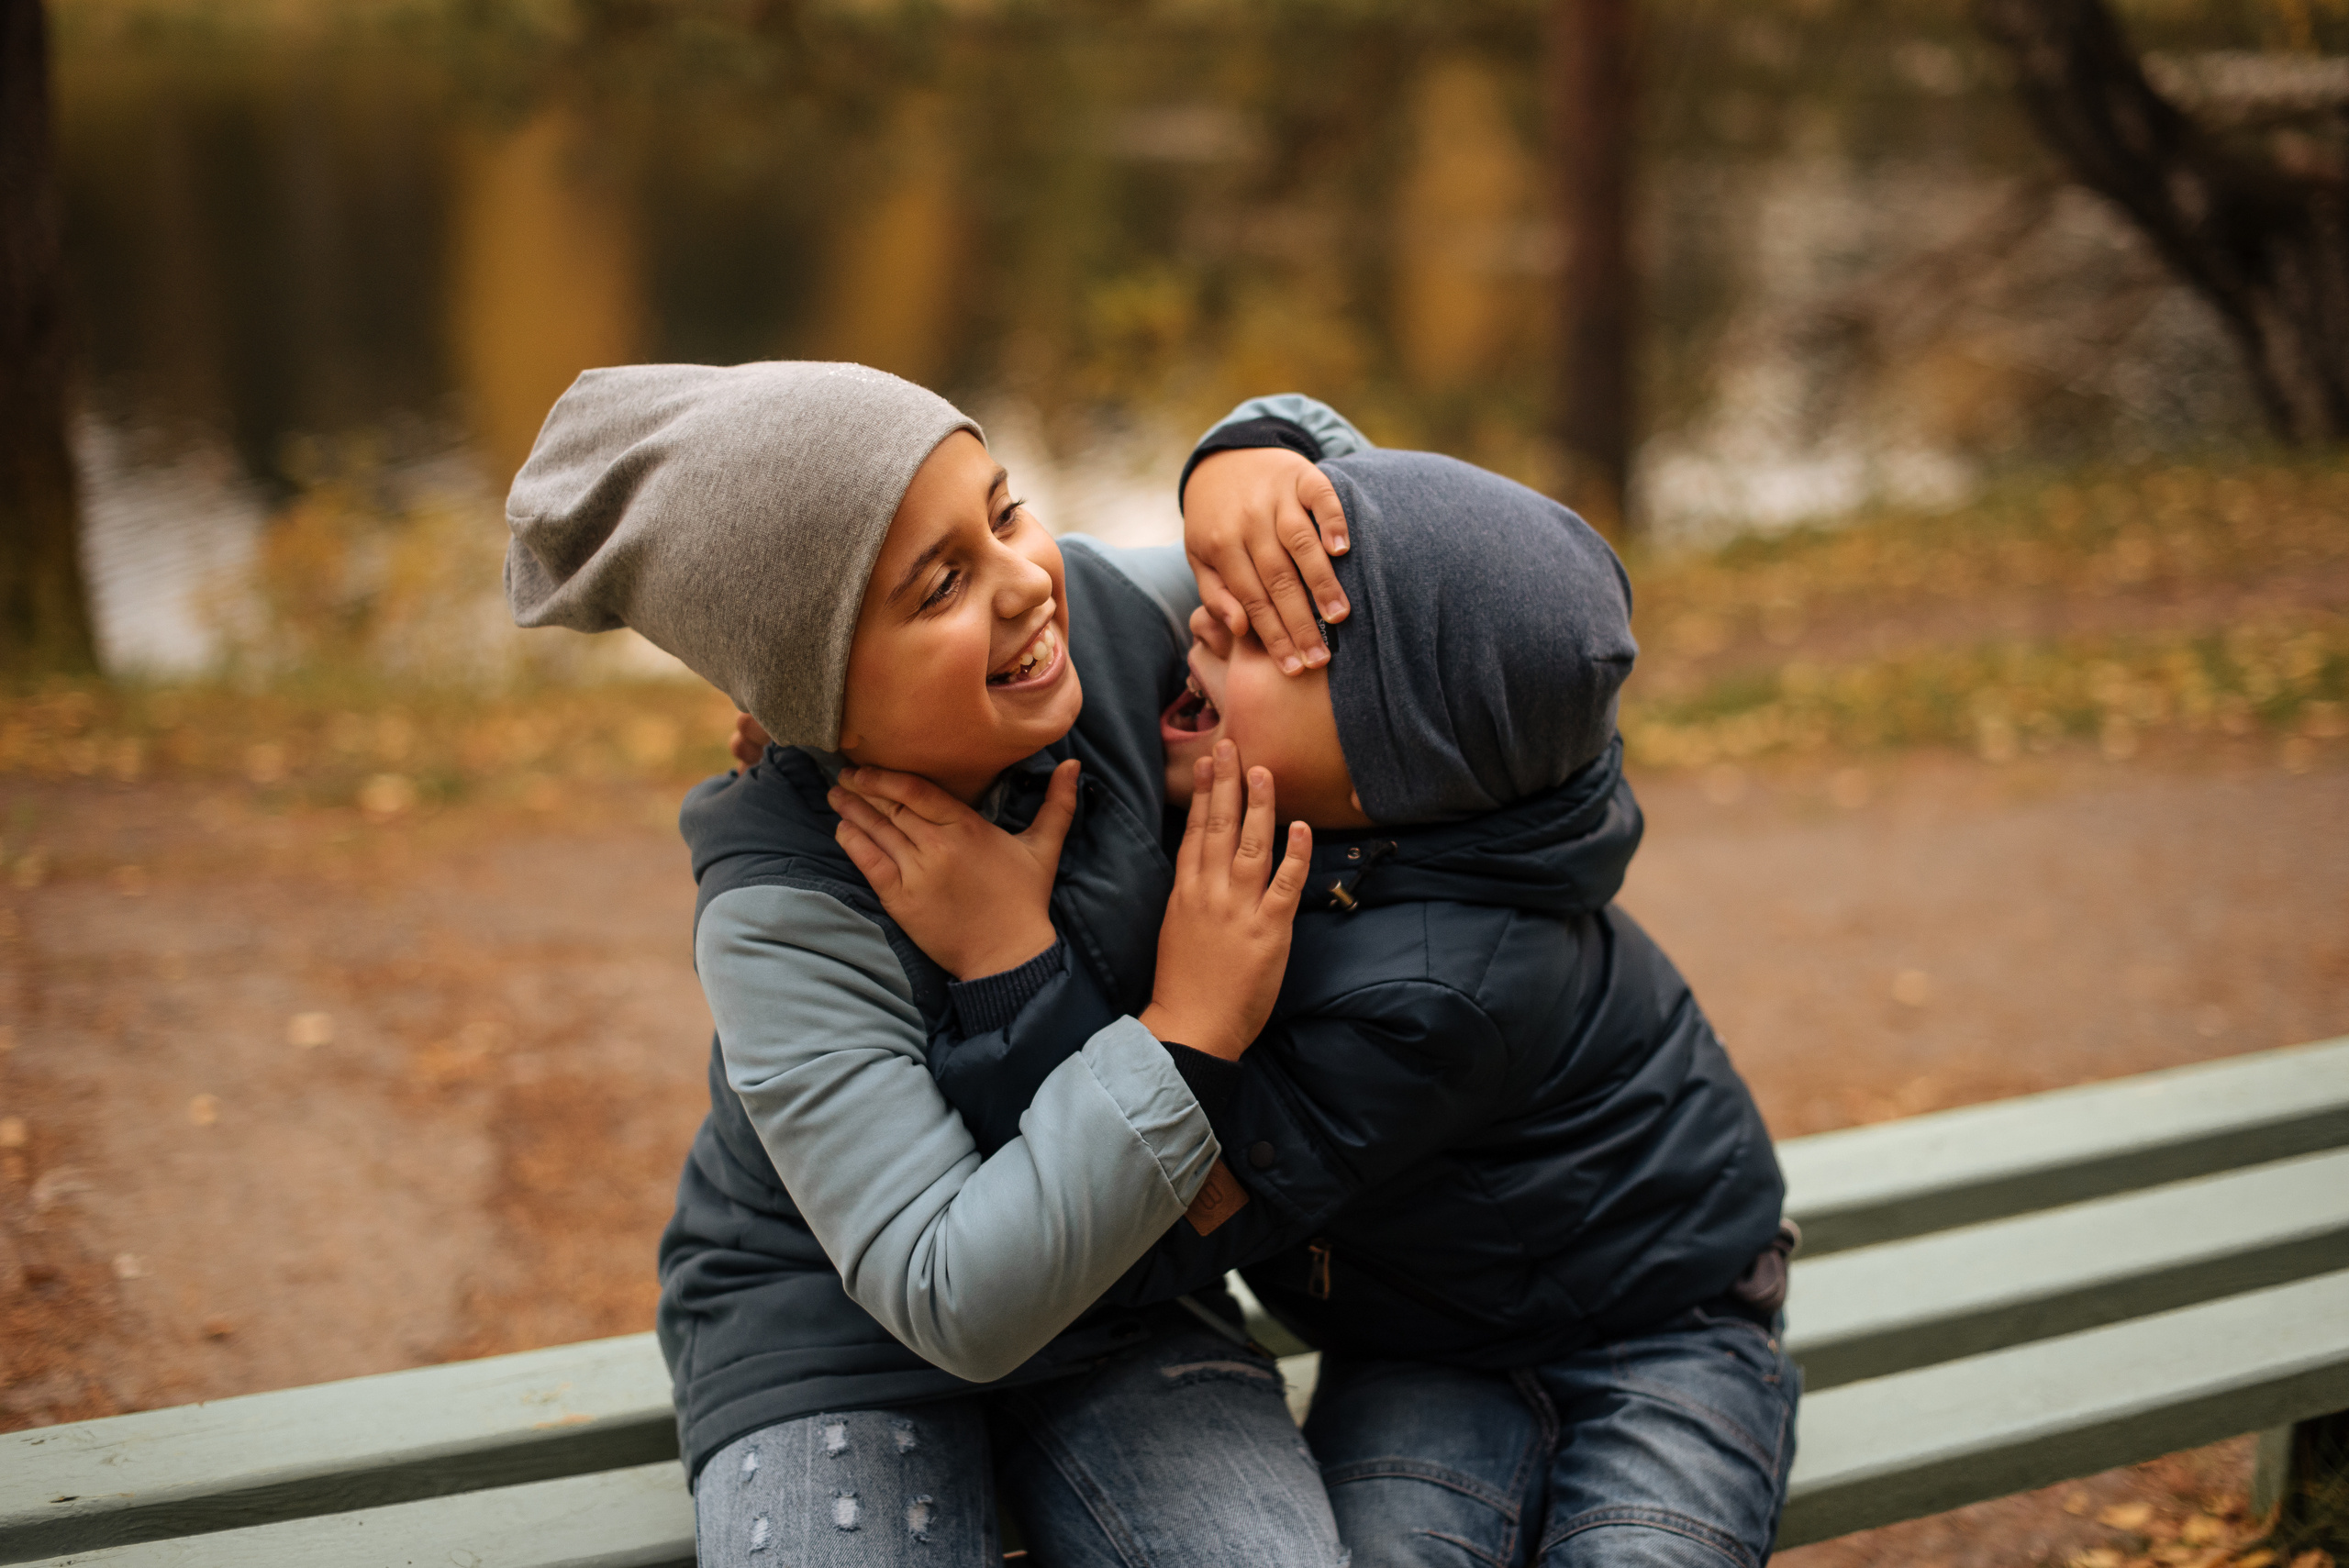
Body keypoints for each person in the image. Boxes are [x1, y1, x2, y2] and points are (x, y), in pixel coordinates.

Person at [831, 406, 1801, 1568]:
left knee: (1646, 1552)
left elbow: (1164, 1214)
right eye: (1231, 595)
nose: (1208, 615)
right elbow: (1323, 483)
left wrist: (1011, 964)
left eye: (1262, 639)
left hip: (1664, 1327)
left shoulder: (1441, 987)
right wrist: (1244, 453)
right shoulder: (1324, 807)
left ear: (1395, 765)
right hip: (1424, 1339)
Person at [503, 361, 1362, 1567]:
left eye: (1006, 511)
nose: (1024, 582)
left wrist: (1255, 454)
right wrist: (1187, 1032)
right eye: (940, 585)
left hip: (1125, 1296)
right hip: (827, 1340)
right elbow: (950, 1292)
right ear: (816, 701)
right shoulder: (781, 908)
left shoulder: (1111, 626)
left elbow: (1388, 566)